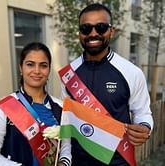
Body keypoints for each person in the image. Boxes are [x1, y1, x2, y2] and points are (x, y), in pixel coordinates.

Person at [59, 3, 153, 166]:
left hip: (118, 161)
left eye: (101, 27)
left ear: (111, 31)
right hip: (79, 161)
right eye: (86, 28)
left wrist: (144, 126)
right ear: (80, 33)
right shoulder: (69, 74)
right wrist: (65, 158)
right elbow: (66, 121)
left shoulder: (131, 72)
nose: (93, 34)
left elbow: (143, 112)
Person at [0, 42, 71, 166]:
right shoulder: (3, 109)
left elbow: (66, 146)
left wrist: (63, 163)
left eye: (43, 65)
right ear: (21, 68)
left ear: (49, 69)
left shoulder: (61, 108)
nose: (37, 71)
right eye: (30, 64)